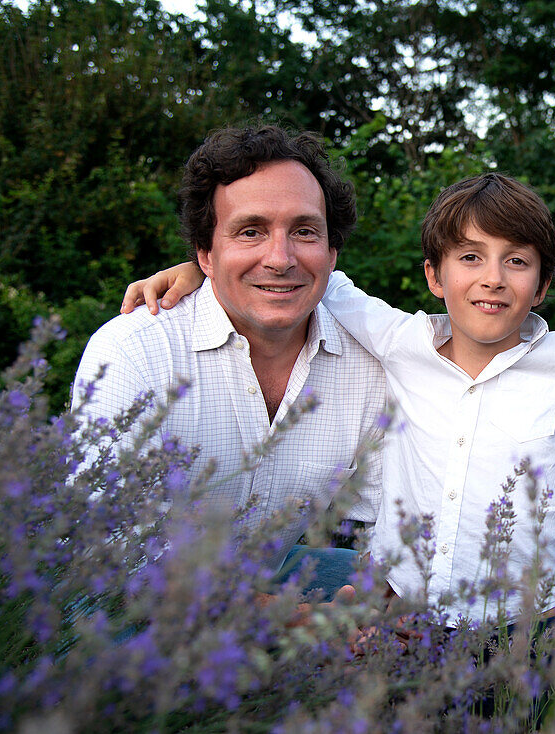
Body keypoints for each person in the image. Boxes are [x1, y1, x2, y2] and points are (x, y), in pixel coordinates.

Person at [122, 174, 555, 625]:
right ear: (433, 274)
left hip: (525, 629)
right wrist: (198, 269)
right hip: (399, 616)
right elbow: (309, 272)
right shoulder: (400, 341)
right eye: (469, 257)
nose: (492, 279)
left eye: (517, 260)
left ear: (541, 285)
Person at [72, 126, 387, 603]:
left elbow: (398, 521)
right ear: (204, 254)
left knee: (425, 593)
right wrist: (278, 620)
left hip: (268, 574)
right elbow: (113, 545)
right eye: (250, 231)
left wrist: (390, 602)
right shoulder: (133, 351)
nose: (280, 259)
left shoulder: (369, 364)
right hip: (118, 596)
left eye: (304, 231)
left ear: (332, 253)